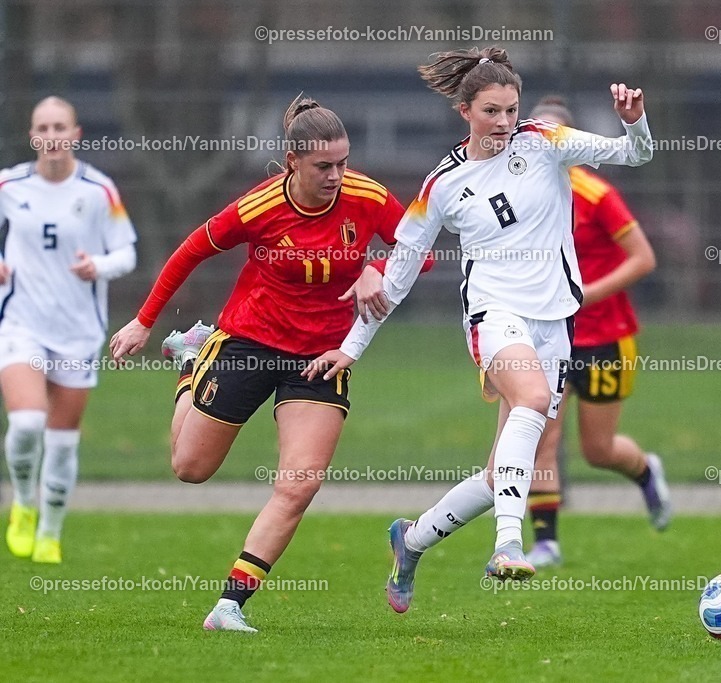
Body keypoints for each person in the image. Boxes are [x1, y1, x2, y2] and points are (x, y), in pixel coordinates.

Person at [303, 46, 654, 613]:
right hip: (494, 315)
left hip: (555, 321)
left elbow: (634, 155)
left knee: (500, 474)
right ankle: (509, 546)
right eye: (492, 111)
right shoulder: (441, 185)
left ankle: (411, 542)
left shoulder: (545, 143)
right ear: (464, 110)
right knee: (533, 401)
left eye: (511, 110)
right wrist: (351, 348)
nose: (505, 122)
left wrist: (634, 119)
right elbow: (398, 275)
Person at [110, 94, 429, 632]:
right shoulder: (258, 208)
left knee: (299, 484)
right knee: (191, 469)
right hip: (250, 343)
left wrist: (377, 266)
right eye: (324, 166)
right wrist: (143, 320)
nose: (337, 176)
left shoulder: (367, 196)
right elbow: (191, 250)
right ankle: (191, 363)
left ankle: (229, 605)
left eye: (343, 163)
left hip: (323, 355)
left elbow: (416, 247)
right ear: (292, 163)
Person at [522, 96, 670, 569]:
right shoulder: (517, 193)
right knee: (541, 437)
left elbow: (643, 259)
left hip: (605, 336)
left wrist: (581, 294)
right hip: (547, 336)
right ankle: (546, 541)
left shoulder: (597, 196)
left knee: (598, 450)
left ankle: (647, 473)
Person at [0, 96, 137, 564]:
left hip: (79, 332)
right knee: (26, 422)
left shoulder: (99, 190)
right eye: (43, 126)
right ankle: (21, 501)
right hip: (22, 324)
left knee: (61, 439)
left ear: (75, 134)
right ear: (33, 135)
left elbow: (127, 254)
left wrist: (97, 265)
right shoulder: (8, 184)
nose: (52, 134)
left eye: (61, 125)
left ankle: (50, 532)